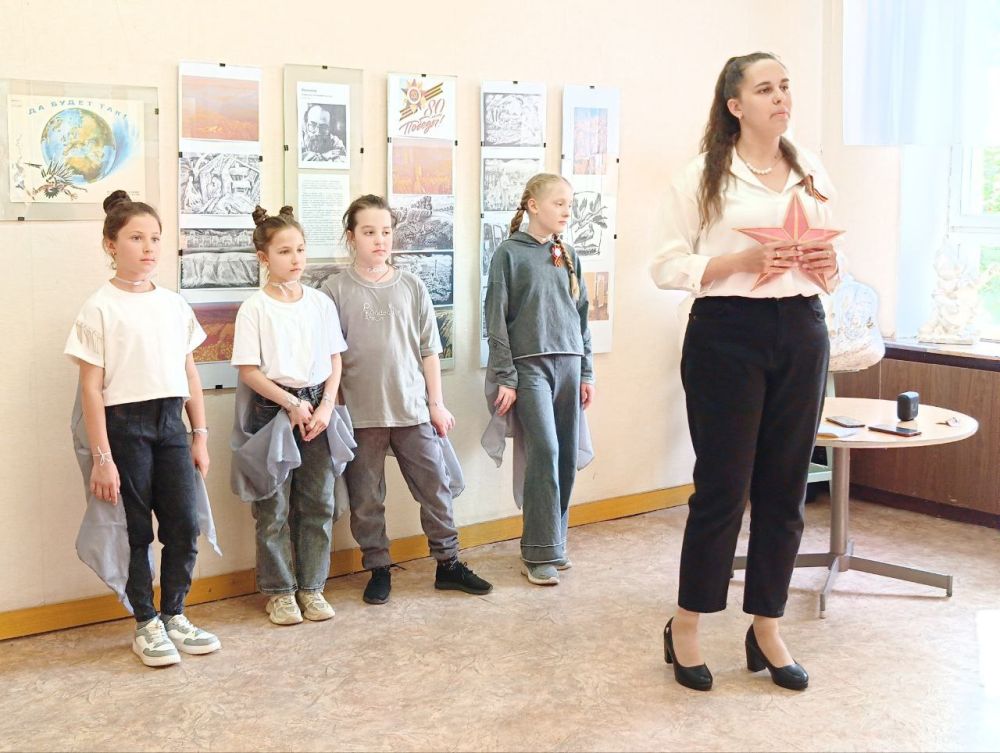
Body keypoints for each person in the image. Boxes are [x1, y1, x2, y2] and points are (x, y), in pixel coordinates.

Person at [650, 52, 843, 691]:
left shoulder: (810, 168)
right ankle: (686, 624)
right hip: (726, 333)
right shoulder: (700, 177)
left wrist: (829, 267)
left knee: (786, 488)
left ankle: (766, 625)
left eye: (785, 86)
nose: (781, 97)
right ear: (735, 106)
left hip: (803, 328)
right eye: (765, 89)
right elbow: (664, 265)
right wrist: (737, 261)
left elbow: (832, 255)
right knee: (723, 489)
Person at [65, 190, 220, 667]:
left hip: (171, 425)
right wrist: (103, 458)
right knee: (133, 532)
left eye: (155, 237)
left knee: (183, 524)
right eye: (136, 238)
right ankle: (146, 622)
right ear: (111, 244)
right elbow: (91, 389)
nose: (149, 247)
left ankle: (175, 614)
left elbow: (190, 373)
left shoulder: (173, 305)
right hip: (124, 428)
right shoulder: (99, 307)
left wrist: (199, 435)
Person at [322, 194, 492, 605]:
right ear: (351, 237)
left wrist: (436, 403)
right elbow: (330, 358)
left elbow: (429, 351)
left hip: (412, 409)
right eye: (369, 232)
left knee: (435, 487)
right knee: (366, 499)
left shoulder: (412, 286)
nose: (379, 240)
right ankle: (378, 567)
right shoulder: (334, 290)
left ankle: (448, 564)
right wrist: (336, 409)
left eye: (385, 231)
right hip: (360, 415)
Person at [230, 205, 347, 625]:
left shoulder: (319, 303)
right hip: (273, 410)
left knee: (319, 501)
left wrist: (326, 405)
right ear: (264, 257)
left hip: (319, 410)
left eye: (300, 249)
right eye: (284, 251)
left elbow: (334, 359)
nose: (296, 259)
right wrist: (291, 403)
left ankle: (312, 587)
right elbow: (249, 370)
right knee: (273, 506)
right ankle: (280, 592)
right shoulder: (255, 308)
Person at [484, 173, 596, 586]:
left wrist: (587, 371)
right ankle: (537, 553)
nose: (567, 211)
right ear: (533, 205)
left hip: (569, 364)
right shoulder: (508, 255)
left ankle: (554, 542)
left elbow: (581, 317)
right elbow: (495, 320)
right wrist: (506, 376)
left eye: (570, 204)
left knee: (564, 454)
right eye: (559, 203)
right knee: (544, 451)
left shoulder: (568, 254)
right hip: (529, 367)